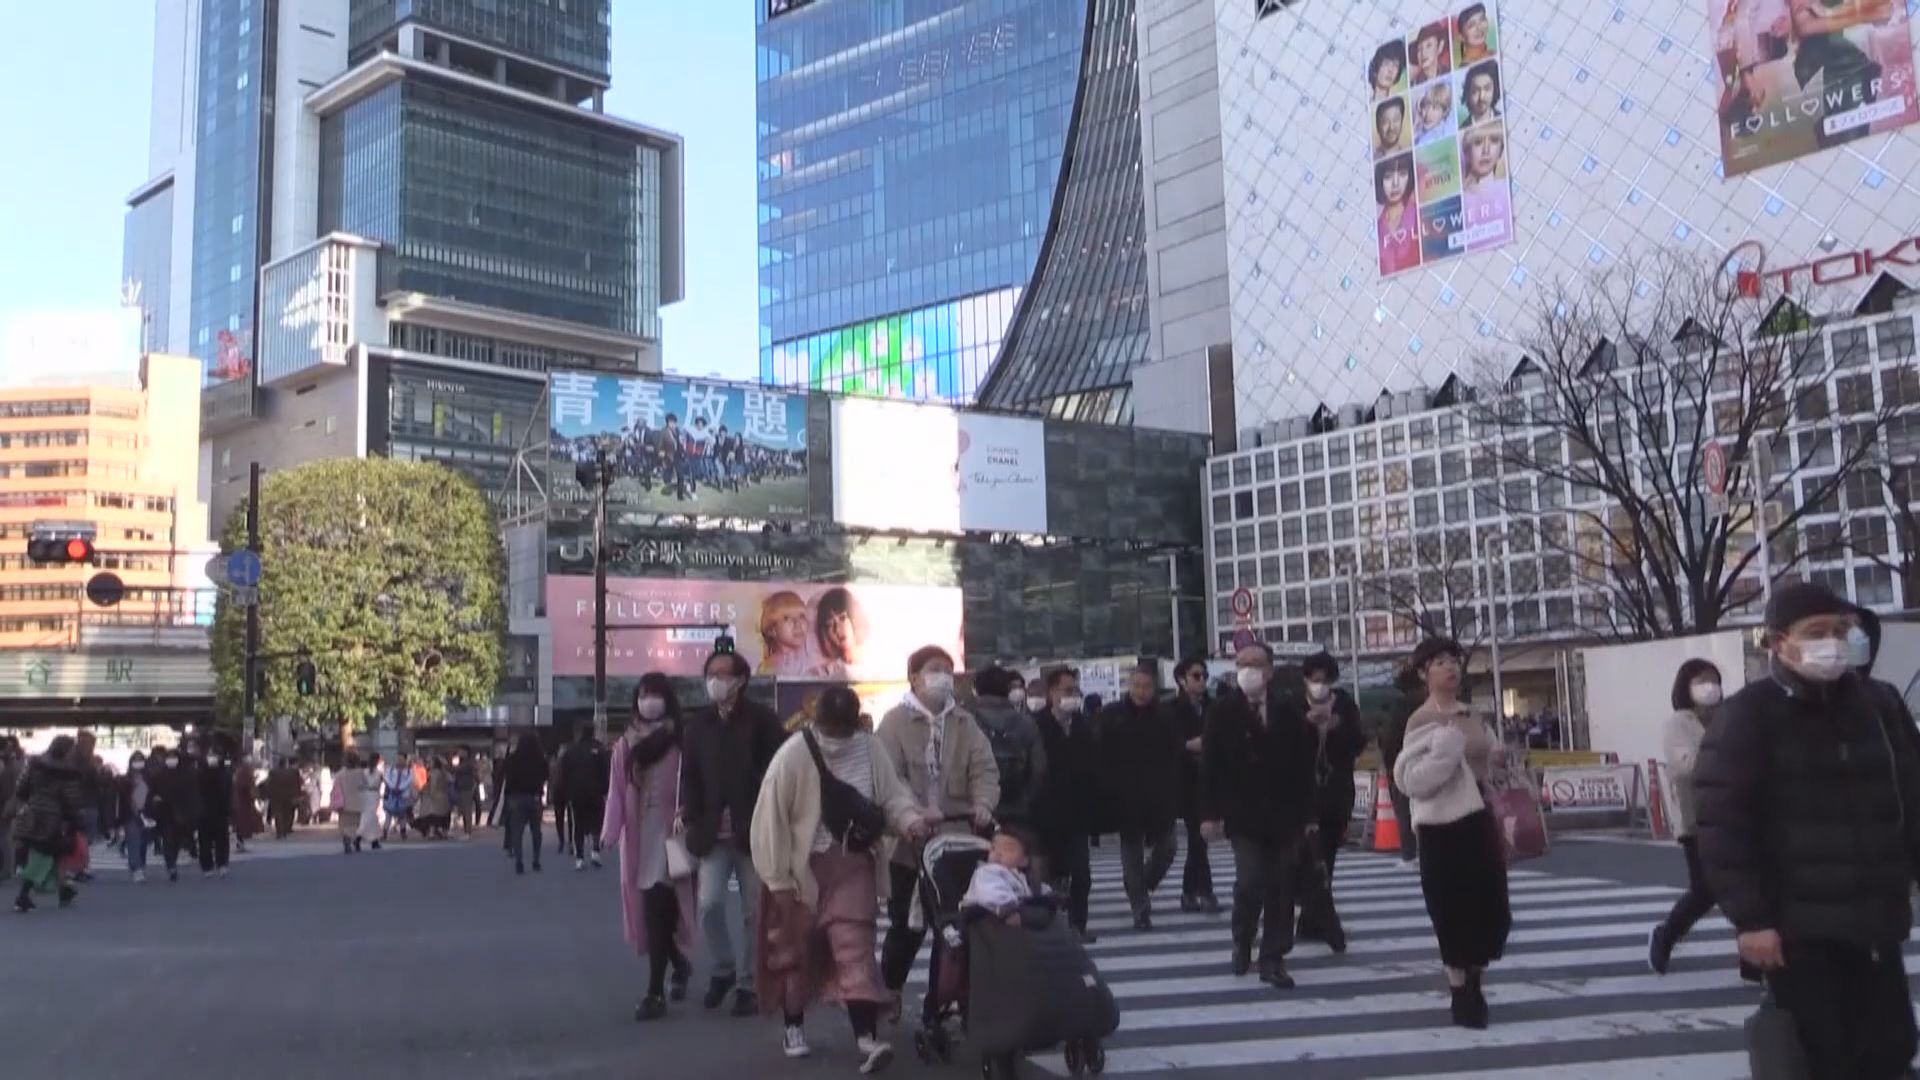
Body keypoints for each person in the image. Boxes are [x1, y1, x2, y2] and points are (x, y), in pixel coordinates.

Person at [1695, 582, 1920, 1078]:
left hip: (1874, 921)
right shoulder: (1748, 715)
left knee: (1889, 1051)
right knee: (1820, 1061)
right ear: (1779, 643)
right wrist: (1751, 919)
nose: (1833, 642)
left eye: (1841, 630)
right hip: (1797, 931)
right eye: (1816, 632)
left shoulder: (1878, 706)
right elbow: (1723, 826)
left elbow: (1911, 793)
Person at [751, 684, 930, 1070]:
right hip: (803, 867)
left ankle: (866, 1038)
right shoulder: (794, 754)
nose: (835, 736)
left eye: (841, 728)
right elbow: (770, 821)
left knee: (856, 948)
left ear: (854, 723)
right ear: (817, 723)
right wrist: (778, 881)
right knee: (797, 952)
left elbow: (892, 796)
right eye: (830, 728)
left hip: (853, 864)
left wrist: (911, 821)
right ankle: (794, 1025)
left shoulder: (869, 749)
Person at [876, 645, 1000, 1021]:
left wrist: (983, 804)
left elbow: (984, 770)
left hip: (957, 842)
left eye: (948, 669)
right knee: (906, 928)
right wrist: (910, 816)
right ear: (913, 677)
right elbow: (888, 778)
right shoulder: (894, 722)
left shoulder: (965, 723)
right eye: (934, 669)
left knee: (953, 929)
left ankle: (939, 1001)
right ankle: (891, 987)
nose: (943, 676)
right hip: (907, 845)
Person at [1393, 637, 1511, 1029]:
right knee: (1450, 909)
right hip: (1440, 826)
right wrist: (1445, 752)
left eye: (1453, 661)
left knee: (1491, 907)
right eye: (1440, 662)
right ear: (1424, 672)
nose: (1450, 668)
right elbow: (1412, 781)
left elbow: (1486, 761)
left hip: (1479, 818)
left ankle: (1474, 975)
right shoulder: (1420, 722)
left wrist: (1496, 760)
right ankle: (1461, 989)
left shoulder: (1470, 714)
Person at [1201, 642, 1324, 989]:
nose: (1249, 670)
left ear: (1270, 671)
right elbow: (1210, 766)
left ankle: (1273, 956)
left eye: (1256, 664)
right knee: (1250, 881)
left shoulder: (1287, 710)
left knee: (1281, 886)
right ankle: (1242, 938)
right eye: (1242, 663)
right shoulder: (1222, 711)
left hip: (1285, 814)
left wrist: (1310, 814)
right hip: (1243, 815)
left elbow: (1303, 767)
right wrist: (1208, 814)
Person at [681, 650, 789, 1016]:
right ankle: (724, 967)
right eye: (711, 673)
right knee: (709, 905)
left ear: (741, 680)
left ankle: (748, 983)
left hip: (754, 832)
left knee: (753, 911)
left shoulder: (763, 721)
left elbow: (780, 770)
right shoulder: (698, 726)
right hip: (712, 833)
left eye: (723, 674)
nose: (716, 681)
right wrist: (687, 811)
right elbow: (690, 775)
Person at [603, 674, 696, 1021]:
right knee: (654, 913)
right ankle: (678, 964)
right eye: (644, 695)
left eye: (656, 695)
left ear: (668, 700)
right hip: (640, 837)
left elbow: (694, 783)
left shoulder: (682, 741)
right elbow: (615, 790)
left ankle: (655, 991)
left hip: (674, 834)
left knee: (660, 906)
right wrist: (610, 832)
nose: (649, 701)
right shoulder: (626, 745)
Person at [1648, 658, 1724, 974]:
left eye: (1714, 680)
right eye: (1701, 680)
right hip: (1698, 818)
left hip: (1734, 815)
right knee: (1706, 890)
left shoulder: (1726, 717)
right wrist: (1726, 752)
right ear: (1686, 687)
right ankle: (1666, 934)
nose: (1710, 687)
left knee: (1747, 887)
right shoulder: (1678, 724)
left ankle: (1754, 963)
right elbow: (1686, 765)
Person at [1100, 666, 1182, 931]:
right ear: (1129, 685)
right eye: (1137, 686)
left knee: (1168, 847)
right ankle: (1140, 908)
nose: (1141, 692)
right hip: (1125, 796)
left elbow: (1174, 753)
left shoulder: (1165, 715)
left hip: (1160, 794)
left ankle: (1142, 885)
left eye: (1146, 686)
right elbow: (1101, 752)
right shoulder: (1112, 715)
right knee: (1131, 853)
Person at [1297, 653, 1363, 950]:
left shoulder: (1345, 705)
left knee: (1328, 859)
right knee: (1311, 858)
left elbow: (1358, 743)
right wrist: (1306, 725)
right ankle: (1325, 921)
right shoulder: (1295, 706)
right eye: (1314, 679)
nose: (1319, 686)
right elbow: (1285, 745)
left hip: (1335, 794)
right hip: (1304, 795)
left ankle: (1311, 920)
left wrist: (1337, 728)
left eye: (1324, 680)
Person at [1033, 668, 1100, 942]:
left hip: (1077, 812)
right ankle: (1049, 927)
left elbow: (1095, 765)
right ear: (1052, 693)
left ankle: (1077, 925)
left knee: (1081, 874)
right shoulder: (1036, 725)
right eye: (1066, 690)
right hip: (1044, 813)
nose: (1071, 696)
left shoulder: (1083, 725)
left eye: (1074, 690)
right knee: (1046, 876)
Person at [11, 735, 88, 912]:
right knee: (45, 853)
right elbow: (72, 798)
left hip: (33, 812)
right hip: (54, 817)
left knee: (50, 853)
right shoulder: (68, 773)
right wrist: (76, 818)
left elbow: (21, 788)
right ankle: (23, 895)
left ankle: (63, 890)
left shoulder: (36, 764)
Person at [1169, 658, 1219, 914]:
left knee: (1199, 840)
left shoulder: (1213, 706)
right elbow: (1167, 743)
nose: (1201, 681)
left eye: (1203, 676)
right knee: (1197, 837)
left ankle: (1189, 891)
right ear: (1182, 680)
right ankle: (1204, 891)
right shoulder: (1172, 709)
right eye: (1196, 676)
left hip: (1209, 779)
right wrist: (1187, 745)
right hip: (1186, 781)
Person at [969, 665, 1047, 829]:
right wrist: (1026, 800)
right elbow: (1039, 769)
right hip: (1017, 808)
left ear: (976, 690)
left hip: (976, 813)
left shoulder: (966, 722)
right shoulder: (1026, 723)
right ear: (1007, 690)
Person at [1380, 664, 1425, 864]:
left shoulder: (1401, 707)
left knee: (1405, 811)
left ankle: (1410, 854)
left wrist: (1389, 764)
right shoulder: (1430, 703)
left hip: (1403, 765)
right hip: (1428, 763)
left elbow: (1390, 738)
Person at [961, 828, 1041, 922]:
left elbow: (1035, 892)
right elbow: (990, 893)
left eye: (1007, 850)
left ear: (1024, 860)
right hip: (988, 919)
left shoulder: (1021, 878)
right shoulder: (986, 872)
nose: (998, 854)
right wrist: (1009, 908)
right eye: (994, 848)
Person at [502, 734, 549, 874]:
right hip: (534, 797)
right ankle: (536, 860)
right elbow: (546, 775)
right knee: (536, 831)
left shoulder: (512, 759)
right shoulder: (540, 759)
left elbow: (506, 775)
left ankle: (519, 860)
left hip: (516, 797)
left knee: (517, 831)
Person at [566, 728, 611, 870]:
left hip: (577, 793)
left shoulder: (572, 751)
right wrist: (605, 790)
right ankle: (595, 851)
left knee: (578, 825)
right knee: (597, 822)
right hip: (596, 792)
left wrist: (569, 792)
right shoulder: (599, 748)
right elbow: (606, 770)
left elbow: (565, 773)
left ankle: (579, 858)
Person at [1375, 154, 1420, 275]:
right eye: (1388, 177)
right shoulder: (1376, 229)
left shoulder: (1420, 214)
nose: (1395, 183)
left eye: (1402, 174)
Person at [758, 591, 821, 677]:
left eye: (801, 616)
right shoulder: (771, 667)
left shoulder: (814, 659)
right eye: (786, 618)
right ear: (772, 630)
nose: (797, 623)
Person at [195, 744, 235, 878]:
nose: (213, 758)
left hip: (221, 811)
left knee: (222, 840)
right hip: (204, 812)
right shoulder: (200, 772)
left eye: (215, 755)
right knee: (204, 840)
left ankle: (222, 864)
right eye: (210, 755)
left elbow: (229, 792)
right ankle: (207, 866)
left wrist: (230, 809)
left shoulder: (225, 773)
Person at [814, 587, 869, 677]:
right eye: (830, 624)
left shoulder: (878, 659)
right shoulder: (826, 673)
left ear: (855, 618)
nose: (837, 629)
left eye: (842, 618)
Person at [122, 753, 152, 883]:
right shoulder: (126, 779)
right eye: (135, 760)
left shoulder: (149, 778)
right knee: (133, 839)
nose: (138, 763)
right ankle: (136, 867)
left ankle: (140, 864)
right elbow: (122, 797)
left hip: (146, 813)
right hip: (130, 813)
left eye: (140, 760)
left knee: (143, 841)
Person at [232, 756, 264, 853]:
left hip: (240, 801)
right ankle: (240, 842)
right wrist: (256, 797)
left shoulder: (240, 772)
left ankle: (240, 842)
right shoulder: (245, 773)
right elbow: (250, 787)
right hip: (244, 802)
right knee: (243, 823)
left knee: (240, 823)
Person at [382, 754, 416, 842]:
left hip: (403, 795)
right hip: (391, 794)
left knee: (402, 814)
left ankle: (403, 832)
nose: (399, 760)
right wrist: (393, 787)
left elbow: (409, 780)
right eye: (398, 759)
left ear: (405, 760)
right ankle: (384, 832)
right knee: (388, 814)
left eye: (401, 759)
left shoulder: (409, 771)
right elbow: (386, 778)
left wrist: (400, 788)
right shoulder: (391, 769)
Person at [265, 759, 301, 840]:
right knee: (287, 814)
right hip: (288, 796)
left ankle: (279, 832)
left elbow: (269, 784)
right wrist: (297, 795)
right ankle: (285, 830)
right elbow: (296, 784)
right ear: (286, 764)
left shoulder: (273, 772)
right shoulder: (292, 773)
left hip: (276, 796)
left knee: (278, 814)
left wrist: (268, 794)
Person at [1459, 60, 1501, 127]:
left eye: (1487, 89)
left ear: (1495, 90)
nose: (1481, 97)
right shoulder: (1462, 127)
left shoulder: (1503, 118)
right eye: (1475, 91)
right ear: (1468, 94)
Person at [451, 749, 480, 839]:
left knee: (467, 810)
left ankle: (468, 831)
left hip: (466, 788)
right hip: (463, 787)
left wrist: (445, 764)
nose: (459, 753)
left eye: (461, 751)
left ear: (466, 753)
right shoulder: (463, 762)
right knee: (464, 809)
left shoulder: (468, 763)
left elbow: (457, 770)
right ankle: (466, 831)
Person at [550, 743, 572, 855]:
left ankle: (562, 841)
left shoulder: (554, 763)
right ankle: (569, 842)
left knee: (560, 817)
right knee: (569, 818)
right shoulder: (571, 763)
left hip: (559, 792)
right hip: (567, 792)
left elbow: (552, 779)